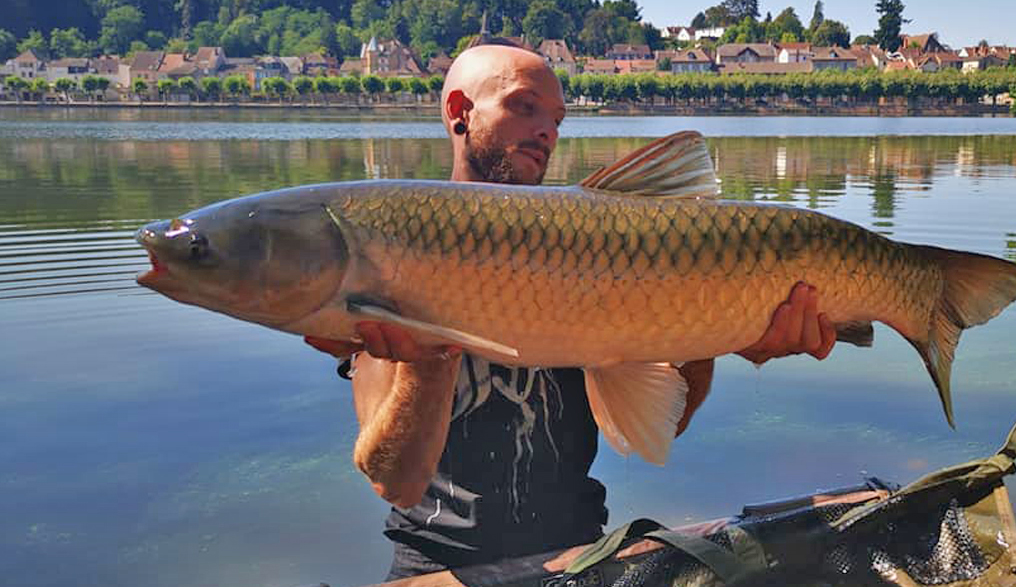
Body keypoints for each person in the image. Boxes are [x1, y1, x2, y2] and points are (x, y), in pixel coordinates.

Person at [305, 44, 837, 580]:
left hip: (579, 556)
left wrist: (707, 332)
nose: (546, 131)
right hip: (437, 566)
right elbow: (394, 481)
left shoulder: (595, 247)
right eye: (524, 107)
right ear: (459, 111)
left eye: (557, 119)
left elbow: (665, 424)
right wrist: (429, 358)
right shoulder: (395, 247)